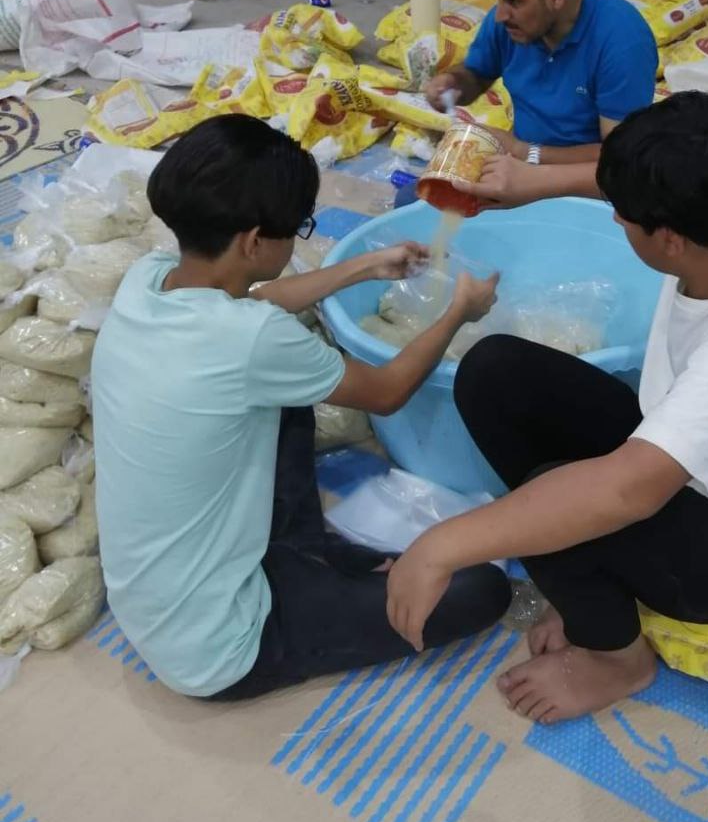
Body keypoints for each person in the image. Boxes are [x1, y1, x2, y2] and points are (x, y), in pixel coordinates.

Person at [385, 93, 708, 724]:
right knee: (495, 371)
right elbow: (635, 184)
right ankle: (589, 589)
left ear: (669, 240)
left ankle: (617, 659)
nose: (615, 219)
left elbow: (624, 492)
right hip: (706, 466)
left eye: (623, 217)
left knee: (555, 500)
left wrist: (438, 547)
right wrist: (529, 184)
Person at [92, 114, 510, 701]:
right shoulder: (252, 340)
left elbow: (256, 299)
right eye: (297, 229)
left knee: (293, 394)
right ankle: (302, 577)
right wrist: (458, 313)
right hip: (223, 645)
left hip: (158, 595)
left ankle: (308, 550)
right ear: (253, 241)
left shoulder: (151, 277)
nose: (298, 240)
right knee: (484, 589)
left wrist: (366, 265)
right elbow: (387, 391)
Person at [424, 0, 657, 167]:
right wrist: (453, 83)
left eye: (513, 0)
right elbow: (476, 75)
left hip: (588, 181)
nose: (500, 14)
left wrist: (524, 154)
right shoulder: (508, 24)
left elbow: (620, 160)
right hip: (523, 164)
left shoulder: (622, 40)